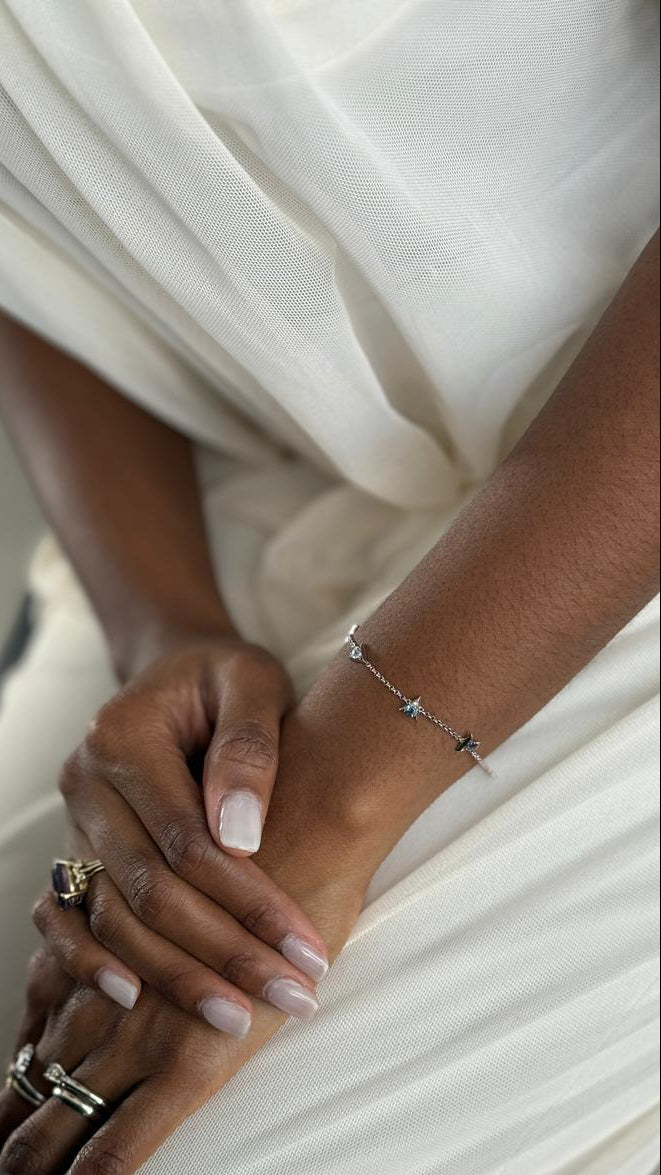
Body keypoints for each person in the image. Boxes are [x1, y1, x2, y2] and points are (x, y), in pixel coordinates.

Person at [0, 3, 659, 1173]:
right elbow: (37, 203)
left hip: (606, 490)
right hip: (256, 476)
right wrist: (163, 622)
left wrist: (339, 794)